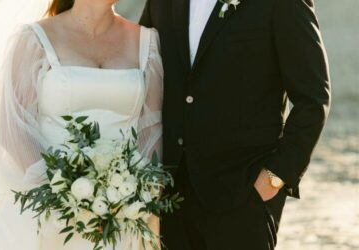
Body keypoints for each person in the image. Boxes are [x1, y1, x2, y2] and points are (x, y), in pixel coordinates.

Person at [0, 0, 163, 249]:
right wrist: (67, 194)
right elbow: (15, 131)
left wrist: (127, 195)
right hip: (45, 212)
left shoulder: (146, 42)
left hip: (117, 217)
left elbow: (150, 134)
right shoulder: (35, 39)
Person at [140, 0, 331, 249]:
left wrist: (274, 179)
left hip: (243, 196)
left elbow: (313, 99)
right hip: (171, 198)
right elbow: (139, 68)